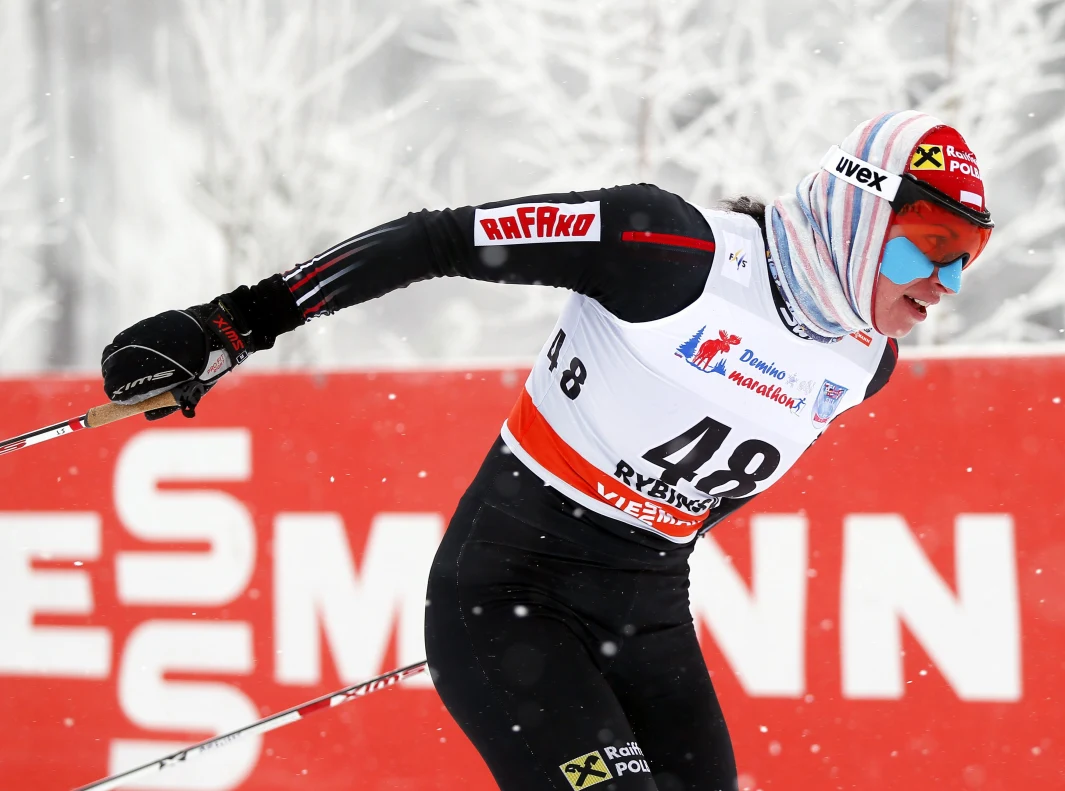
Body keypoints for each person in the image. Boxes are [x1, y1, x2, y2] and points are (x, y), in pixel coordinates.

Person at [99, 110, 993, 791]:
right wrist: (234, 322)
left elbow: (702, 486)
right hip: (505, 599)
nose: (947, 284)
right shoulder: (668, 249)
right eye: (932, 246)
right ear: (859, 212)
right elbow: (443, 237)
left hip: (644, 613)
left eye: (970, 256)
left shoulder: (864, 363)